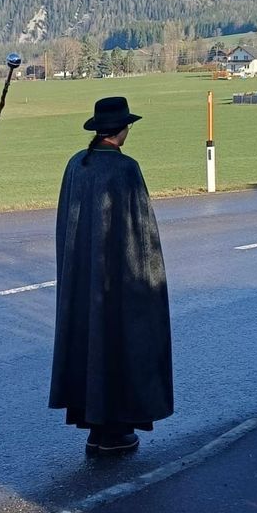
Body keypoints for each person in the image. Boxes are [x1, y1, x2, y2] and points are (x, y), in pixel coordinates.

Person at [49, 96, 173, 455]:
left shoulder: (77, 165)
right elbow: (141, 233)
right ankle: (114, 430)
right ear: (123, 130)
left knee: (89, 344)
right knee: (121, 345)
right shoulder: (125, 169)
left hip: (83, 281)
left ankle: (93, 427)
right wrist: (149, 279)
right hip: (119, 280)